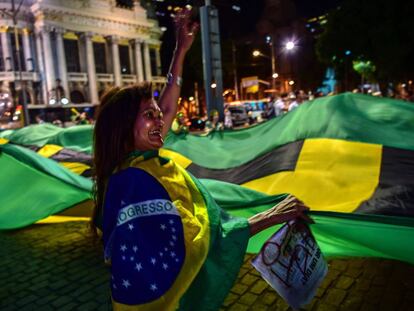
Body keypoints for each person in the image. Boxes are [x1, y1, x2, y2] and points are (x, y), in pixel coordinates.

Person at [92, 9, 311, 311]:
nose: (161, 120)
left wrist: (181, 49)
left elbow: (167, 105)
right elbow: (195, 245)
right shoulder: (134, 182)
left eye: (159, 114)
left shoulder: (139, 165)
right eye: (149, 115)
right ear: (123, 127)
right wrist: (271, 216)